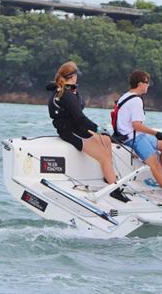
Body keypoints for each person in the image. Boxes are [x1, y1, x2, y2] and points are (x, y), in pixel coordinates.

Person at [47, 61, 129, 202]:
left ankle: (108, 174)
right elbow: (80, 118)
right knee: (103, 156)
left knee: (106, 139)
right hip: (70, 131)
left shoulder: (66, 90)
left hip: (76, 127)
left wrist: (101, 133)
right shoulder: (66, 94)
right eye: (76, 75)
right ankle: (113, 190)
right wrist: (97, 128)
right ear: (72, 77)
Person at [114, 70, 162, 199]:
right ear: (140, 84)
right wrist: (156, 133)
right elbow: (137, 125)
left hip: (135, 134)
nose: (148, 85)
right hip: (133, 137)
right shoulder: (136, 101)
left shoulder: (125, 96)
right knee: (155, 164)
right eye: (146, 83)